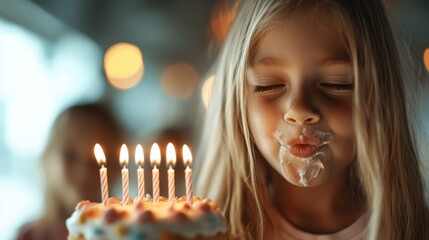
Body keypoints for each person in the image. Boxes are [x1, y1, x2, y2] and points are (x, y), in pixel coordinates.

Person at [195, 0, 429, 239]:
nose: (299, 110)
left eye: (336, 84)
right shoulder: (207, 233)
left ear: (381, 98)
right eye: (269, 86)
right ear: (237, 102)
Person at [17, 103, 125, 240]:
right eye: (70, 156)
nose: (84, 171)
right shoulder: (26, 236)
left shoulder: (122, 233)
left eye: (98, 162)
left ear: (116, 168)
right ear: (46, 158)